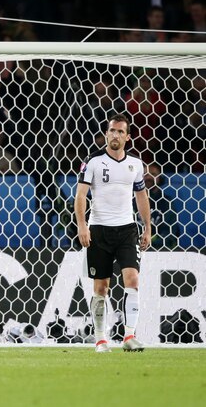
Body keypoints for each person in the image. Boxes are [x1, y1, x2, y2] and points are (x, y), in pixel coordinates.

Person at [75, 113, 151, 353]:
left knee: (133, 280)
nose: (115, 135)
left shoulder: (135, 165)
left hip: (127, 229)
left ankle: (129, 336)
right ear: (106, 133)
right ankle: (100, 340)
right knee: (101, 287)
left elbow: (141, 196)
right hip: (99, 229)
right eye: (112, 130)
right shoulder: (93, 161)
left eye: (120, 131)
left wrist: (147, 226)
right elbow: (80, 196)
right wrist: (82, 225)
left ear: (127, 137)